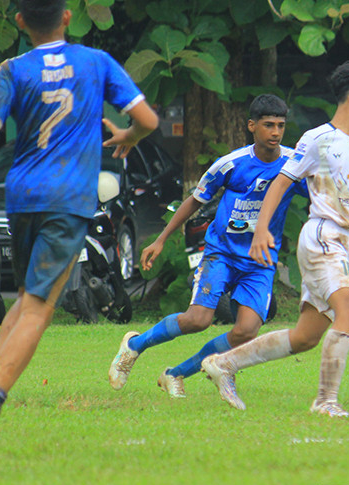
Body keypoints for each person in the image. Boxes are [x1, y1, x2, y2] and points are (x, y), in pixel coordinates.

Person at [0, 0, 158, 446]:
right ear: (68, 16)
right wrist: (128, 137)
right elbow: (147, 121)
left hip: (22, 196)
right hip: (68, 199)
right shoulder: (95, 62)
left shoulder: (12, 68)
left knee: (26, 299)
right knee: (40, 310)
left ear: (21, 22)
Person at [200, 61, 349, 417]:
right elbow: (282, 181)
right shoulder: (318, 139)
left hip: (347, 244)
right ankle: (326, 402)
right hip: (323, 237)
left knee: (306, 336)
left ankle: (224, 363)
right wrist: (261, 228)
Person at [107, 94, 308, 397]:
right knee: (198, 320)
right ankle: (134, 345)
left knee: (246, 331)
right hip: (222, 253)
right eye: (268, 125)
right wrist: (161, 239)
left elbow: (320, 194)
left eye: (280, 125)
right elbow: (194, 201)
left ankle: (175, 374)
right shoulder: (231, 164)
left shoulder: (294, 165)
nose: (276, 133)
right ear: (252, 126)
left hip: (260, 259)